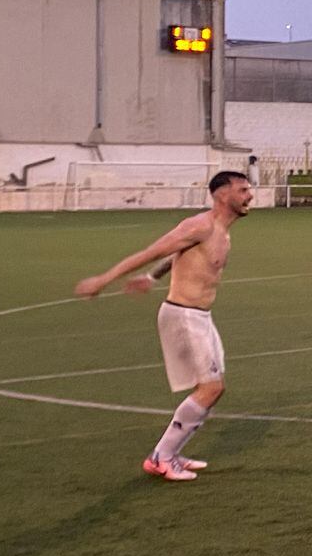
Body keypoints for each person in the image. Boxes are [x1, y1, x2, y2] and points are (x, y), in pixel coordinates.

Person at [74, 169, 255, 483]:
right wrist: (102, 281)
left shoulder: (222, 232)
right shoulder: (199, 226)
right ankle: (161, 458)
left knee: (214, 388)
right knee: (211, 388)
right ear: (222, 194)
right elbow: (152, 251)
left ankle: (170, 454)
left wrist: (151, 277)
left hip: (200, 317)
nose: (249, 195)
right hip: (184, 316)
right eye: (243, 190)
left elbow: (176, 257)